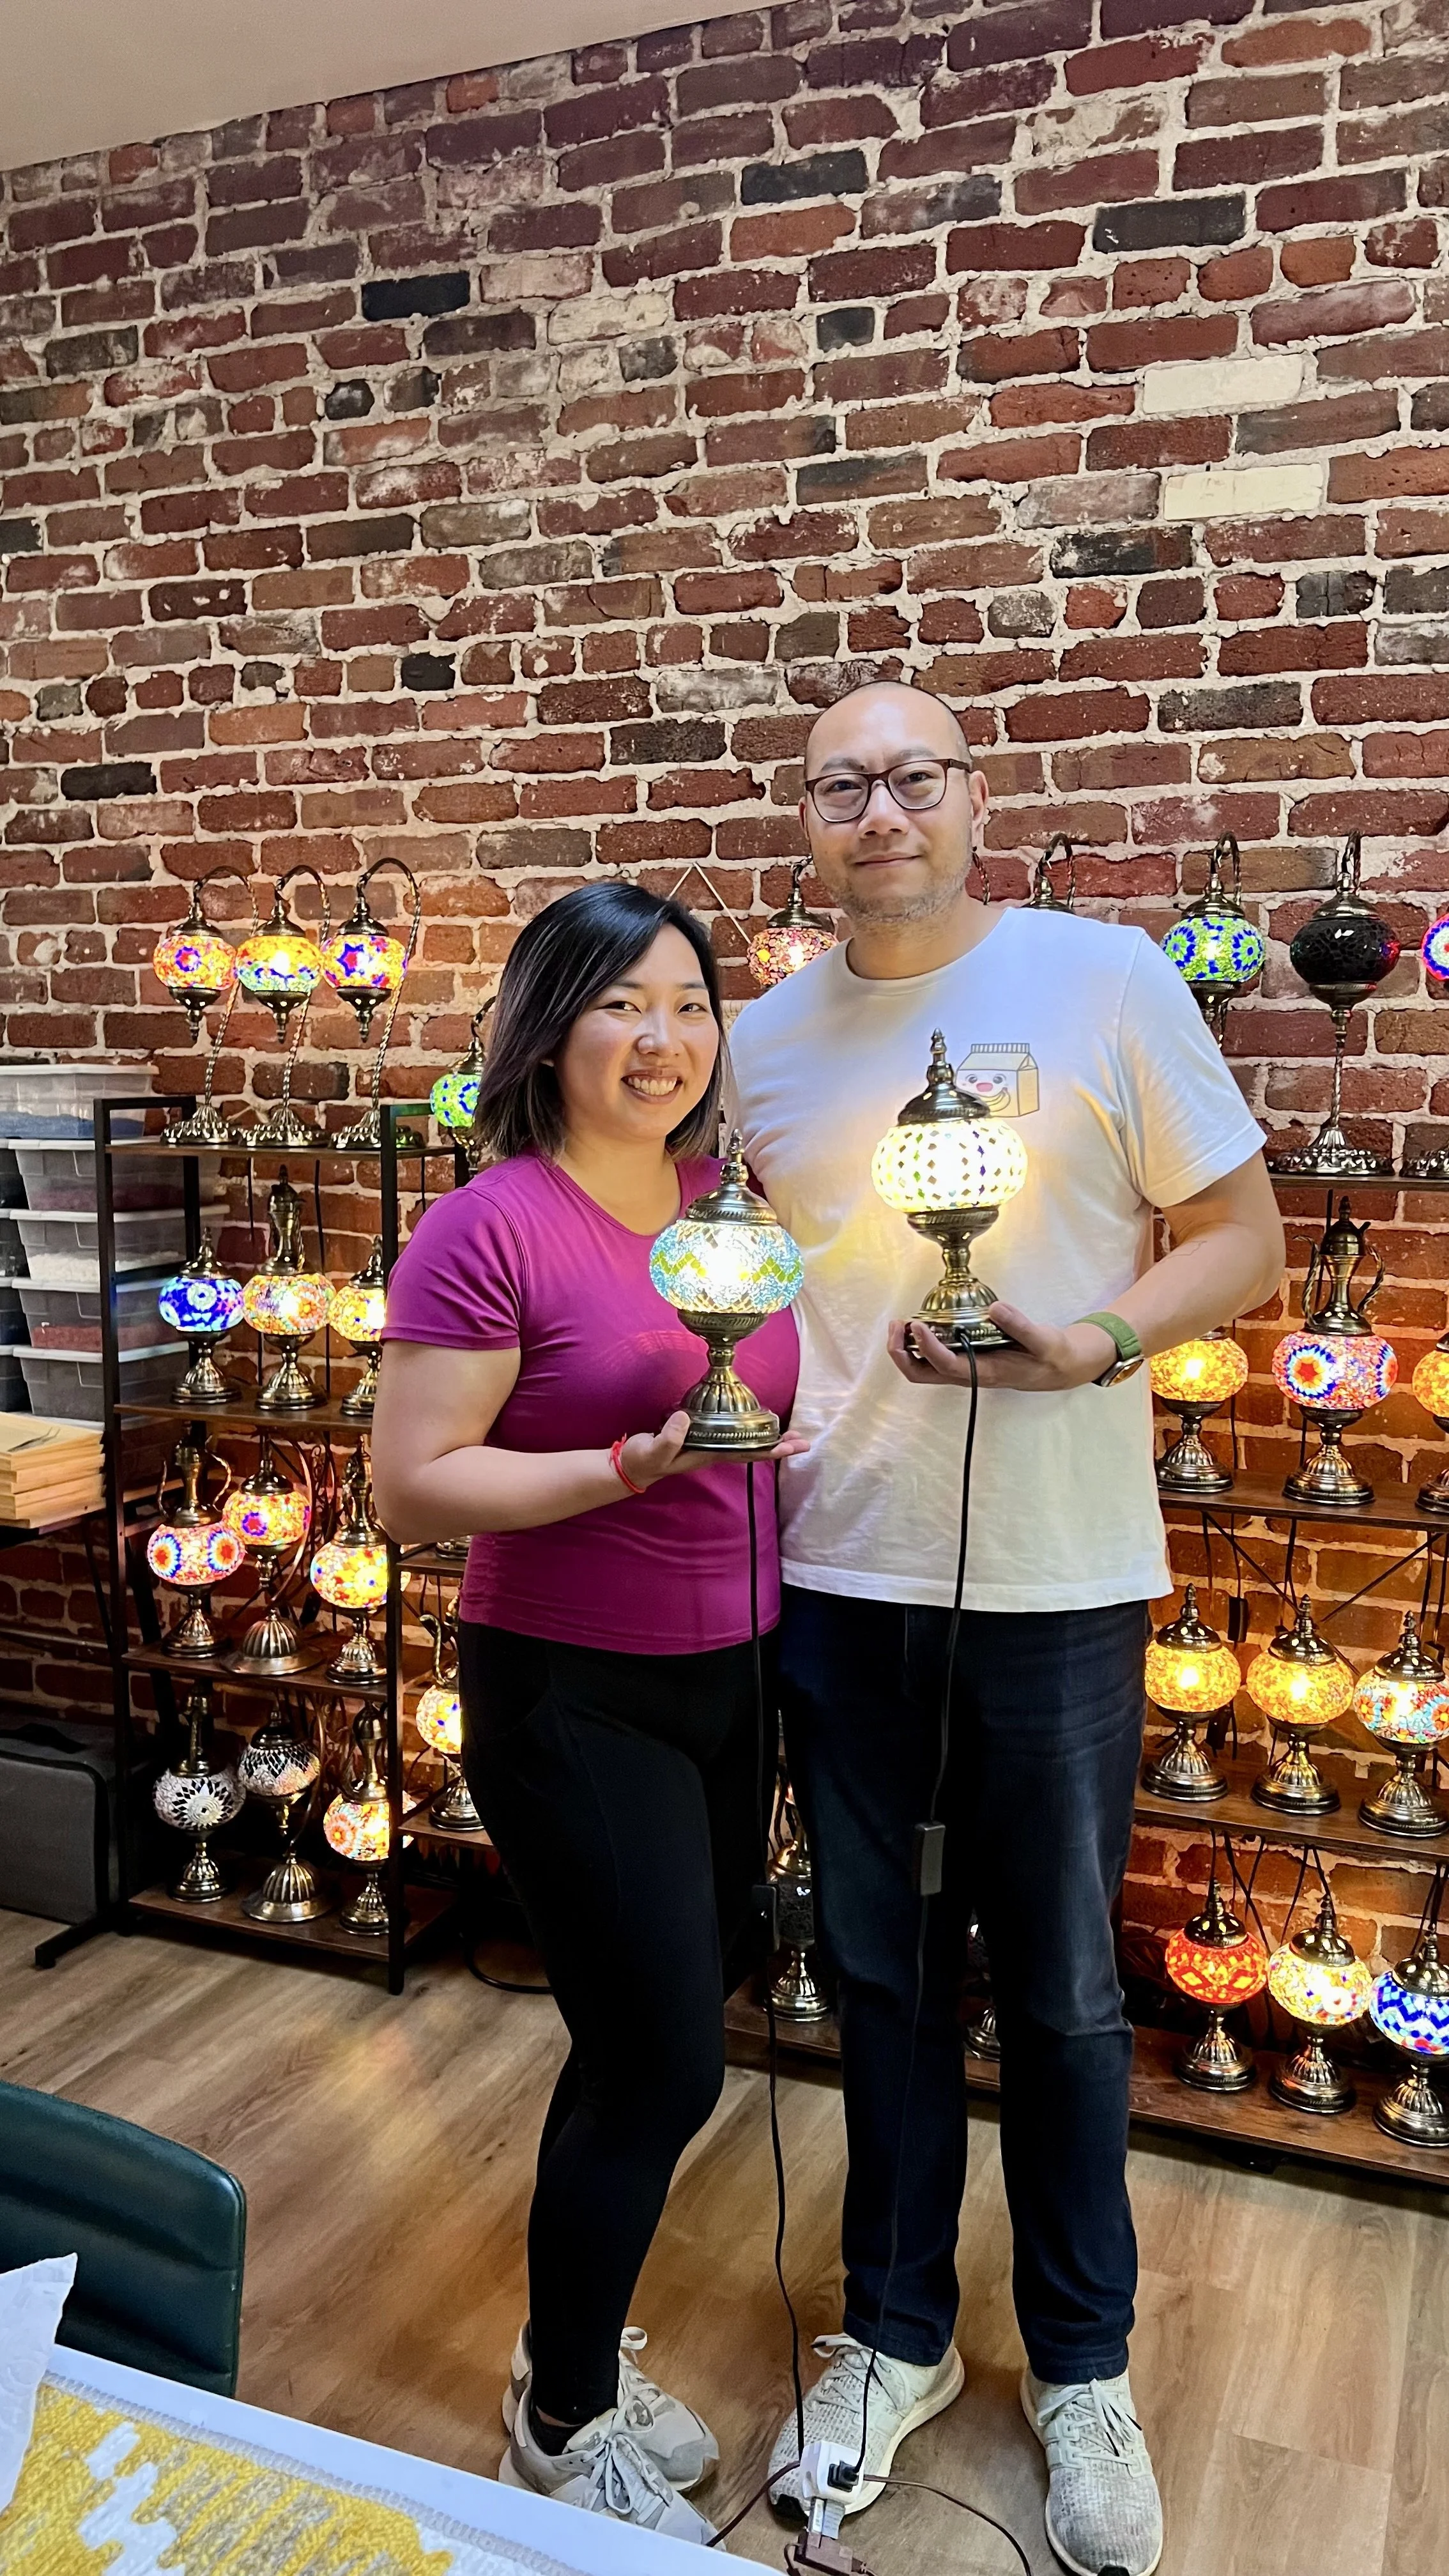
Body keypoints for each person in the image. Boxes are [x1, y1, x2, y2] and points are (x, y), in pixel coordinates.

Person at [730, 680, 1284, 2576]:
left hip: (1057, 1578)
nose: (878, 810)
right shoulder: (758, 1041)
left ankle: (1078, 2370)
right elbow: (727, 1281)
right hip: (836, 1572)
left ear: (973, 799)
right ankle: (886, 2336)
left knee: (1055, 1991)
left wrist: (1091, 1343)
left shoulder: (1106, 977)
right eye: (839, 786)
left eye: (914, 777)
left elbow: (1241, 1235)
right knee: (874, 1981)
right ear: (803, 819)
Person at [371, 882, 801, 2543]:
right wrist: (620, 1466)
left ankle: (579, 2357)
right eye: (623, 1003)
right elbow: (413, 1485)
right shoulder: (491, 1226)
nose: (664, 1036)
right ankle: (556, 2417)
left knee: (670, 2033)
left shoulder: (726, 1202)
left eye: (690, 1004)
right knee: (654, 2055)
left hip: (734, 1671)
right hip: (571, 1688)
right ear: (548, 1027)